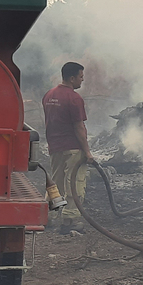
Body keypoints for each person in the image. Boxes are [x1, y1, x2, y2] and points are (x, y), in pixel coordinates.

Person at [43, 62, 95, 234]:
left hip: (55, 146)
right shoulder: (74, 98)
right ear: (72, 78)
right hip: (73, 147)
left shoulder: (49, 95)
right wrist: (87, 151)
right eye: (80, 77)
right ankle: (70, 220)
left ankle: (46, 217)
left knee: (55, 183)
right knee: (74, 184)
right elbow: (78, 127)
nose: (82, 80)